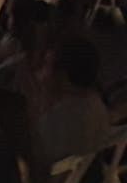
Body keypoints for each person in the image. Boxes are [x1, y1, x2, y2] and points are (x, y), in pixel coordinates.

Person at [33, 33, 109, 175]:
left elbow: (38, 157)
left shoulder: (59, 117)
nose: (40, 73)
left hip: (58, 182)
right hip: (86, 175)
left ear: (63, 76)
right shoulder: (94, 100)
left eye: (46, 65)